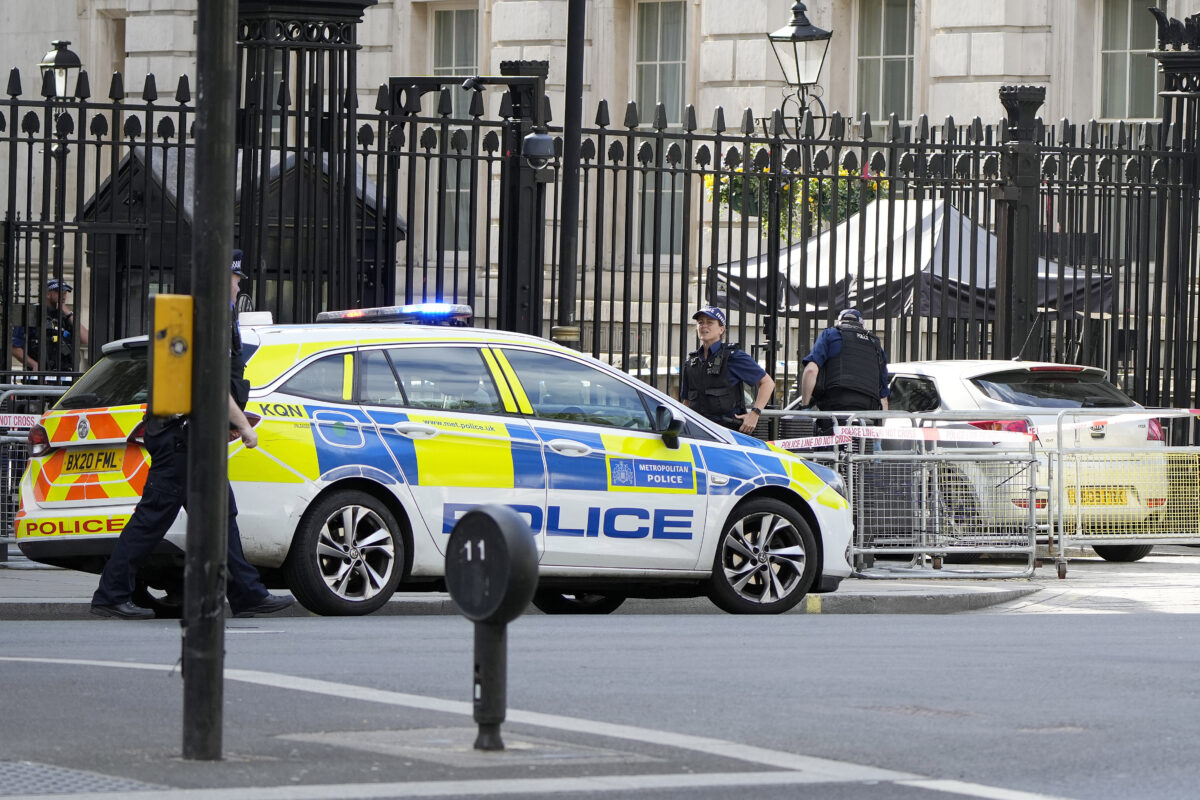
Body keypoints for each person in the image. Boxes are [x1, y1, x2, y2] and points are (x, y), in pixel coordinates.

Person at [90, 250, 294, 620]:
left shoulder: (210, 317)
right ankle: (111, 594)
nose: (238, 286)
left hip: (189, 437)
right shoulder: (209, 319)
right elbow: (212, 382)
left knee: (218, 515)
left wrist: (226, 421)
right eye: (235, 280)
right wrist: (245, 428)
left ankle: (246, 593)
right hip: (184, 440)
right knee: (154, 519)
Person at [680, 306, 776, 434]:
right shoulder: (692, 362)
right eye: (700, 322)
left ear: (721, 329)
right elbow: (686, 402)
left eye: (710, 322)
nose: (704, 326)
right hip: (698, 433)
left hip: (727, 433)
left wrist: (754, 414)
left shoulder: (733, 356)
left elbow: (767, 383)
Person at [798, 308, 890, 418]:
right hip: (867, 413)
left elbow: (811, 370)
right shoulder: (875, 345)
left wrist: (805, 407)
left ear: (838, 322)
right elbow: (883, 398)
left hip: (835, 407)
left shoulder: (830, 335)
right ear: (862, 325)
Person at [11, 278, 90, 372]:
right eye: (59, 292)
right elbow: (14, 347)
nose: (63, 296)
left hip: (65, 373)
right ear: (48, 294)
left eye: (65, 293)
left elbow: (87, 340)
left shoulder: (67, 316)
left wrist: (68, 313)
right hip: (39, 374)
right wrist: (33, 364)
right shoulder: (31, 313)